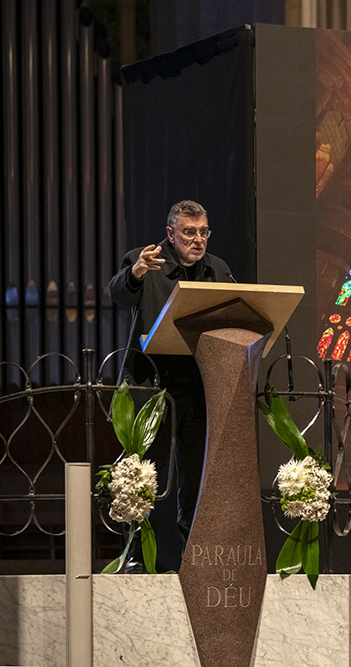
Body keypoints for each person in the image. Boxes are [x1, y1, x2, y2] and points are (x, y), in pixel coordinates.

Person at [109, 200, 232, 571]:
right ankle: (134, 556)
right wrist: (135, 272)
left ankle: (193, 559)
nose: (198, 240)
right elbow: (118, 294)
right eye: (189, 233)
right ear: (171, 234)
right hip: (152, 383)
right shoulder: (146, 260)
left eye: (203, 232)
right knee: (145, 473)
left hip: (197, 382)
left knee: (195, 475)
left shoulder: (218, 270)